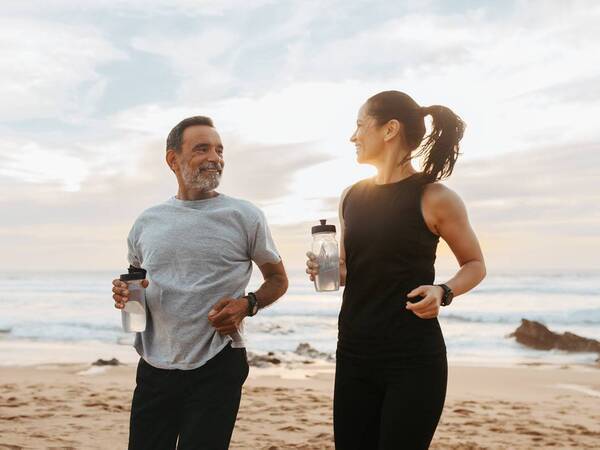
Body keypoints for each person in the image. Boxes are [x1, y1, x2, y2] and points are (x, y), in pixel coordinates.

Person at [306, 91, 486, 449]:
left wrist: (443, 291)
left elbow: (475, 264)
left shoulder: (435, 197)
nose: (353, 136)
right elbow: (348, 268)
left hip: (413, 359)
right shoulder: (351, 196)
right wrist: (326, 270)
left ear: (389, 130)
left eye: (359, 125)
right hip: (354, 353)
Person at [111, 116, 288, 450]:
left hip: (218, 363)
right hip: (155, 365)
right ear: (173, 159)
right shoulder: (146, 222)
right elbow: (137, 281)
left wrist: (247, 305)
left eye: (219, 150)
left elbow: (278, 279)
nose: (215, 157)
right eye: (202, 148)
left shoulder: (245, 215)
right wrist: (125, 292)